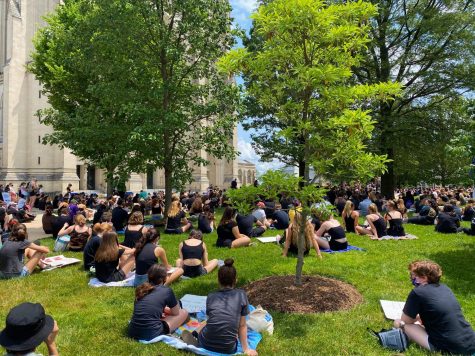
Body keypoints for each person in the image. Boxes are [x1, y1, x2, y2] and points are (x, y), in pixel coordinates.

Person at [394, 260, 475, 354]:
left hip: (450, 347)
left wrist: (415, 318)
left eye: (413, 275)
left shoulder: (417, 293)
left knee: (400, 323)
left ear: (424, 278)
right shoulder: (445, 288)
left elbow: (406, 320)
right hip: (471, 341)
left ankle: (436, 347)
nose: (411, 278)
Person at [181, 259, 258, 356]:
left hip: (206, 343)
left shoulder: (211, 296)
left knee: (208, 321)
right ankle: (195, 336)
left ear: (218, 280)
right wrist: (246, 349)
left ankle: (195, 335)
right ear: (236, 280)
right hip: (228, 348)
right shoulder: (241, 295)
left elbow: (210, 321)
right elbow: (242, 326)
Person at [128, 265, 189, 341]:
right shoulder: (167, 291)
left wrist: (162, 310)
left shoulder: (141, 289)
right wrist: (168, 311)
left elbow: (147, 307)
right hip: (151, 333)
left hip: (132, 331)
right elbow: (176, 313)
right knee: (184, 312)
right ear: (165, 278)